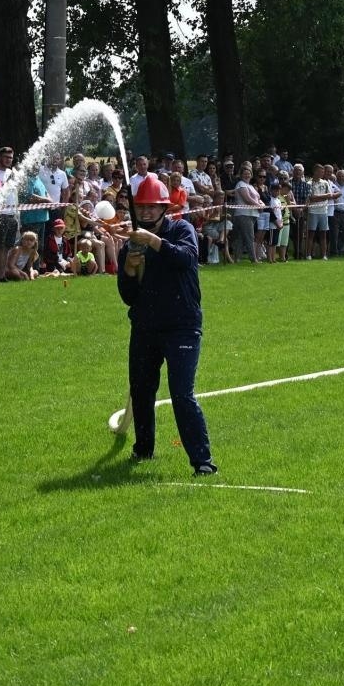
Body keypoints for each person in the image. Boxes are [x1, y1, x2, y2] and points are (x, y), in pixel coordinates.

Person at [109, 174, 215, 476]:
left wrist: (154, 242)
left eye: (152, 207)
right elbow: (128, 297)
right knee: (141, 390)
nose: (146, 212)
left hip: (182, 325)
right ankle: (143, 449)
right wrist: (129, 270)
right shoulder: (131, 246)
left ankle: (203, 462)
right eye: (141, 207)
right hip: (144, 327)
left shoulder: (181, 230)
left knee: (182, 393)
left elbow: (185, 259)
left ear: (164, 209)